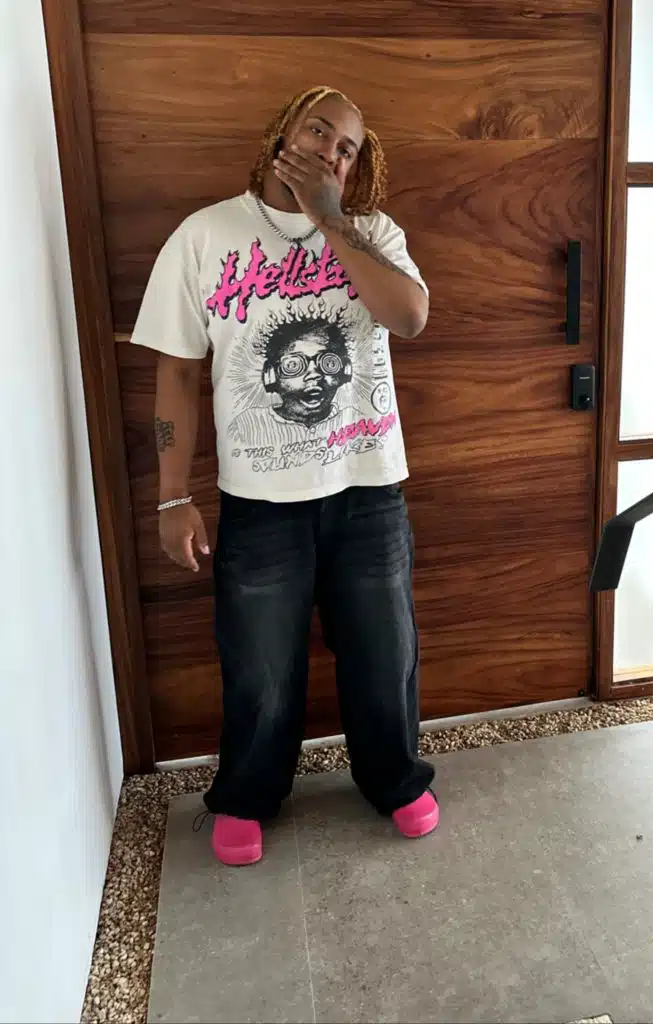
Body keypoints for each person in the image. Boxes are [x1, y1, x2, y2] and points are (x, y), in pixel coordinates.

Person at [132, 85, 438, 867]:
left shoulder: (373, 232)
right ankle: (247, 795)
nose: (330, 151)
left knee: (384, 653)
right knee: (260, 666)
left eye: (347, 148)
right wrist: (171, 496)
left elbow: (408, 317)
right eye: (319, 131)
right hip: (260, 502)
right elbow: (176, 373)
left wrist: (331, 220)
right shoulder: (205, 237)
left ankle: (395, 779)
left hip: (368, 488)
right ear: (281, 133)